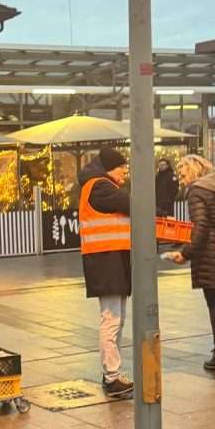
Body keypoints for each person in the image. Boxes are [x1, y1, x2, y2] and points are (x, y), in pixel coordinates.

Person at [164, 155, 215, 371]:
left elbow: (200, 227)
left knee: (214, 302)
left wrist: (186, 253)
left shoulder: (197, 191)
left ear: (193, 171)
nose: (181, 179)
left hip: (211, 254)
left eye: (183, 174)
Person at [78, 147, 134, 397]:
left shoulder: (101, 185)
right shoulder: (100, 186)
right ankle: (111, 377)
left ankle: (113, 374)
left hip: (112, 260)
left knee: (117, 319)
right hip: (106, 261)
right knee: (111, 319)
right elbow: (132, 203)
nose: (125, 171)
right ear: (110, 167)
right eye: (122, 167)